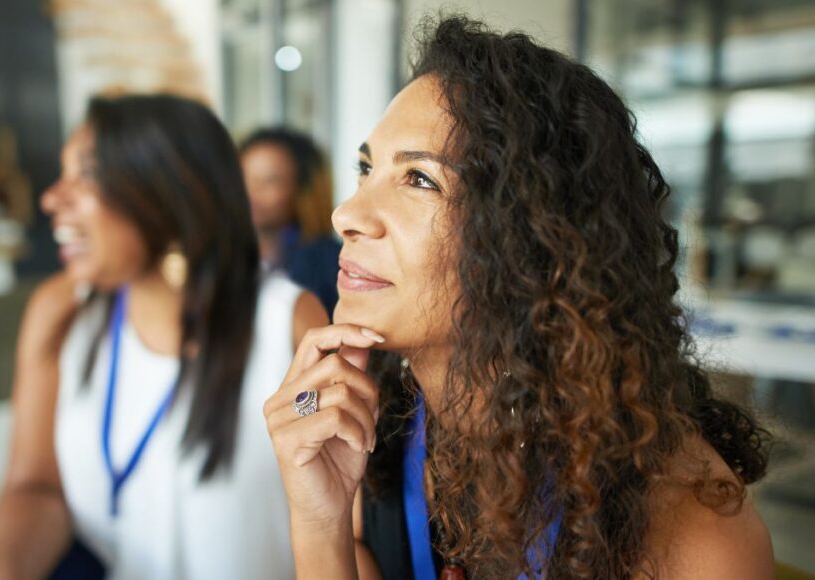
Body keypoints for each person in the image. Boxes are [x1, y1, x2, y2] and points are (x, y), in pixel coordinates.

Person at [264, 16, 774, 580]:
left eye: (420, 179)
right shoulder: (375, 432)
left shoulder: (692, 531)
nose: (347, 214)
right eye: (366, 168)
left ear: (534, 236)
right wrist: (318, 517)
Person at [0, 94, 327, 580]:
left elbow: (342, 516)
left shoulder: (288, 325)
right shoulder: (62, 315)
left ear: (170, 194)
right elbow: (36, 486)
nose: (51, 198)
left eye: (85, 173)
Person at [241, 127, 341, 316]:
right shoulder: (228, 255)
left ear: (302, 189)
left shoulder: (326, 262)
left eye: (270, 180)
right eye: (244, 177)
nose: (252, 191)